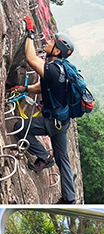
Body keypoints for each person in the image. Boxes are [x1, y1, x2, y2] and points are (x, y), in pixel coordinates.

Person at [12, 17, 78, 204]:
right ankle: (69, 199)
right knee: (63, 159)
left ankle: (43, 156)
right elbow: (44, 86)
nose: (47, 42)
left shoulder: (52, 69)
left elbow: (31, 58)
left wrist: (30, 33)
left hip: (52, 121)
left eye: (51, 41)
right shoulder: (61, 69)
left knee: (19, 127)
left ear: (57, 50)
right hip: (62, 122)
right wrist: (26, 89)